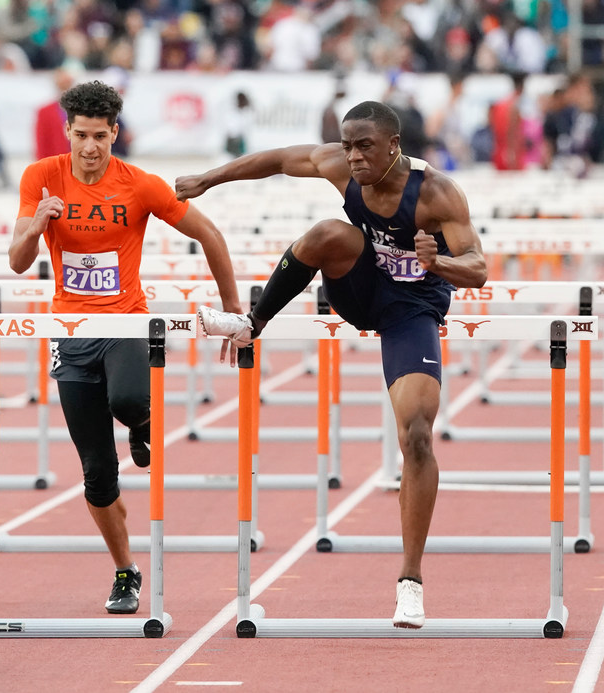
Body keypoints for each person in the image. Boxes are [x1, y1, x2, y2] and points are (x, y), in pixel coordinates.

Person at [175, 100, 487, 628]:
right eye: (348, 146)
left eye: (365, 146)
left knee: (415, 435)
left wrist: (440, 263)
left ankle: (409, 582)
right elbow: (276, 159)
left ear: (394, 146)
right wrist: (209, 179)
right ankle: (253, 322)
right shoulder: (342, 167)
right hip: (359, 289)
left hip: (412, 309)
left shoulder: (435, 192)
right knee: (328, 232)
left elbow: (478, 270)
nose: (354, 156)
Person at [8, 80, 243, 613]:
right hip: (70, 333)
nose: (90, 148)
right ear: (67, 131)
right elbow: (18, 261)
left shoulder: (138, 185)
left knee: (131, 400)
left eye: (100, 136)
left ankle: (142, 427)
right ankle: (125, 571)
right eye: (81, 136)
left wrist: (232, 312)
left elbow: (211, 236)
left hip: (126, 324)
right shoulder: (41, 178)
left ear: (116, 133)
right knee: (96, 471)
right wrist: (38, 223)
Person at [34, 68, 74, 160]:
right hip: (55, 163)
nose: (65, 88)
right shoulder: (45, 112)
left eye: (67, 84)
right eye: (62, 85)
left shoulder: (82, 110)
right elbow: (41, 142)